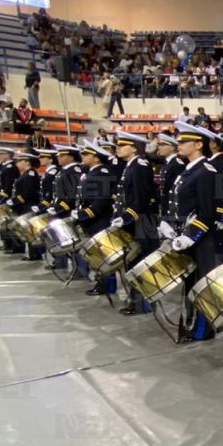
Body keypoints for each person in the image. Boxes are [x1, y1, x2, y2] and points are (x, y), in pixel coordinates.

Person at [162, 122, 222, 343]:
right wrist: (167, 223)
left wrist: (190, 236)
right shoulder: (188, 171)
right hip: (184, 237)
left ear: (198, 144)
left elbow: (207, 212)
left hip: (199, 239)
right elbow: (179, 205)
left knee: (200, 284)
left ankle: (202, 330)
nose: (179, 144)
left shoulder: (205, 171)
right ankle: (191, 324)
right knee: (190, 283)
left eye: (183, 141)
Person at [106, 131, 157, 315]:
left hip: (141, 221)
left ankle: (142, 304)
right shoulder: (129, 166)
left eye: (122, 145)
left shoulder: (140, 166)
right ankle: (135, 301)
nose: (117, 148)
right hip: (133, 220)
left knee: (139, 263)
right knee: (132, 262)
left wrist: (127, 216)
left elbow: (141, 198)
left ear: (134, 148)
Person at [74, 140, 118, 295]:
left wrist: (84, 214)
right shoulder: (92, 173)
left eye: (86, 154)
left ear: (96, 158)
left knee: (103, 254)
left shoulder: (101, 173)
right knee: (99, 254)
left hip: (99, 220)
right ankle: (103, 284)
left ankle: (106, 285)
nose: (82, 156)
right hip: (94, 220)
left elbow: (100, 201)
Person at [4, 151, 41, 254]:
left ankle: (35, 254)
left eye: (20, 161)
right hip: (23, 206)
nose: (18, 163)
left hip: (28, 205)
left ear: (27, 162)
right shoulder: (25, 174)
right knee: (26, 230)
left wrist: (14, 201)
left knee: (30, 230)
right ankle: (31, 253)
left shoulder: (30, 174)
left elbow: (29, 193)